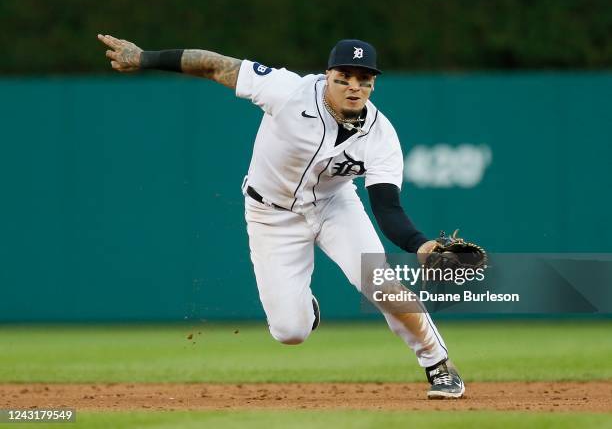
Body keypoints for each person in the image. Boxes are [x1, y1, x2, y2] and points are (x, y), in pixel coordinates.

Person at [97, 34, 465, 399]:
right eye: (344, 77)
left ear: (373, 84)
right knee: (290, 331)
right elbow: (213, 64)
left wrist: (422, 246)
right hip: (270, 214)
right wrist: (144, 58)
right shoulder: (288, 90)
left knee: (381, 281)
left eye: (363, 80)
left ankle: (439, 365)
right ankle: (303, 308)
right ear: (327, 76)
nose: (354, 87)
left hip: (335, 205)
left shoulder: (381, 136)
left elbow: (388, 208)